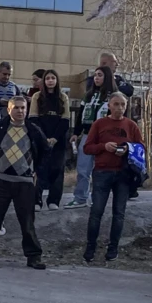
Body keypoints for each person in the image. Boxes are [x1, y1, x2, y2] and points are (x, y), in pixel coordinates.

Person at [0, 96, 48, 269]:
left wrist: (38, 171)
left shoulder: (34, 130)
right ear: (9, 109)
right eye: (16, 108)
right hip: (0, 181)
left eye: (23, 108)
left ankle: (34, 257)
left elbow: (46, 150)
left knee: (27, 222)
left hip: (25, 183)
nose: (20, 111)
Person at [82, 92, 142, 262]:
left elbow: (141, 148)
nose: (120, 108)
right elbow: (87, 148)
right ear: (109, 105)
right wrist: (104, 146)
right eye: (116, 104)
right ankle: (90, 247)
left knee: (119, 213)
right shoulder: (99, 124)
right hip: (102, 172)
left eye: (123, 104)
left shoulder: (131, 125)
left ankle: (113, 248)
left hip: (123, 174)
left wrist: (128, 149)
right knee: (96, 212)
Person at [67, 66, 117, 209]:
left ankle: (98, 199)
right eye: (95, 75)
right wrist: (76, 133)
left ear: (107, 77)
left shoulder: (113, 96)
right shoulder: (88, 95)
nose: (96, 78)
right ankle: (80, 198)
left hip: (105, 137)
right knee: (83, 169)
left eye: (100, 75)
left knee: (101, 170)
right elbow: (79, 116)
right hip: (88, 136)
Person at [29, 69, 69, 211]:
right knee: (39, 170)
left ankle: (54, 200)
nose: (50, 81)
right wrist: (43, 139)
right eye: (48, 78)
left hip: (58, 141)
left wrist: (55, 138)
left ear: (57, 80)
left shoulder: (63, 97)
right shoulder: (36, 97)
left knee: (57, 170)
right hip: (41, 139)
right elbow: (33, 119)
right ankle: (36, 201)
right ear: (44, 81)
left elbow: (65, 120)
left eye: (53, 78)